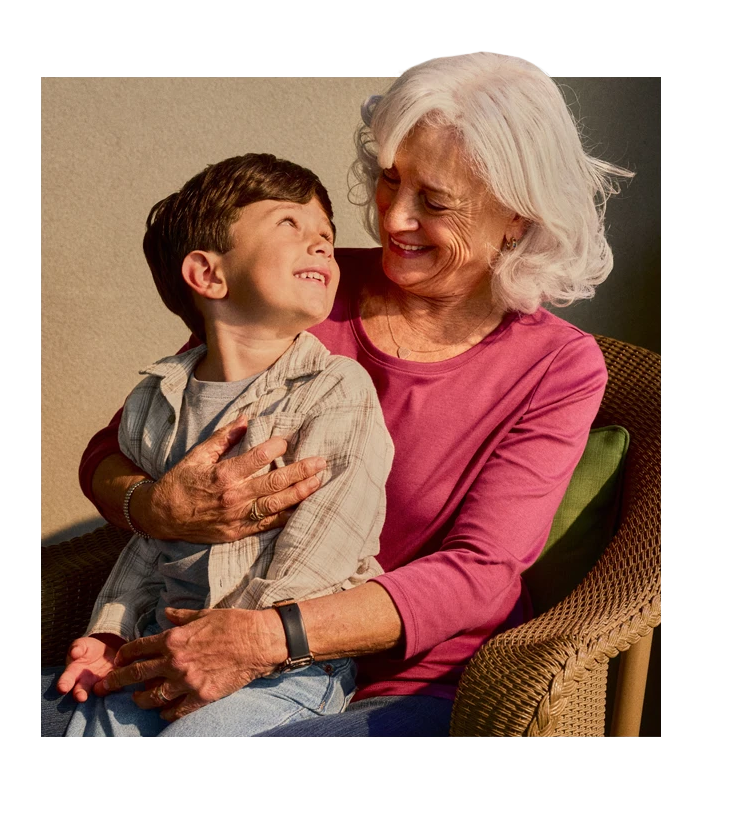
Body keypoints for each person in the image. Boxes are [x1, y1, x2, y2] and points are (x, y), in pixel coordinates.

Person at [43, 50, 633, 738]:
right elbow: (116, 449)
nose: (393, 219)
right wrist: (156, 505)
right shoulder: (310, 284)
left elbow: (479, 573)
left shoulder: (557, 366)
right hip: (192, 643)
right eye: (390, 181)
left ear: (517, 221)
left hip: (416, 688)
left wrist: (262, 639)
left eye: (434, 202)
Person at [56, 154, 394, 738]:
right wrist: (109, 630)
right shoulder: (153, 401)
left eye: (326, 236)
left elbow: (328, 543)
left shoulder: (337, 388)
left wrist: (239, 644)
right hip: (163, 652)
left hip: (287, 668)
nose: (320, 245)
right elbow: (151, 540)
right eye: (291, 225)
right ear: (208, 274)